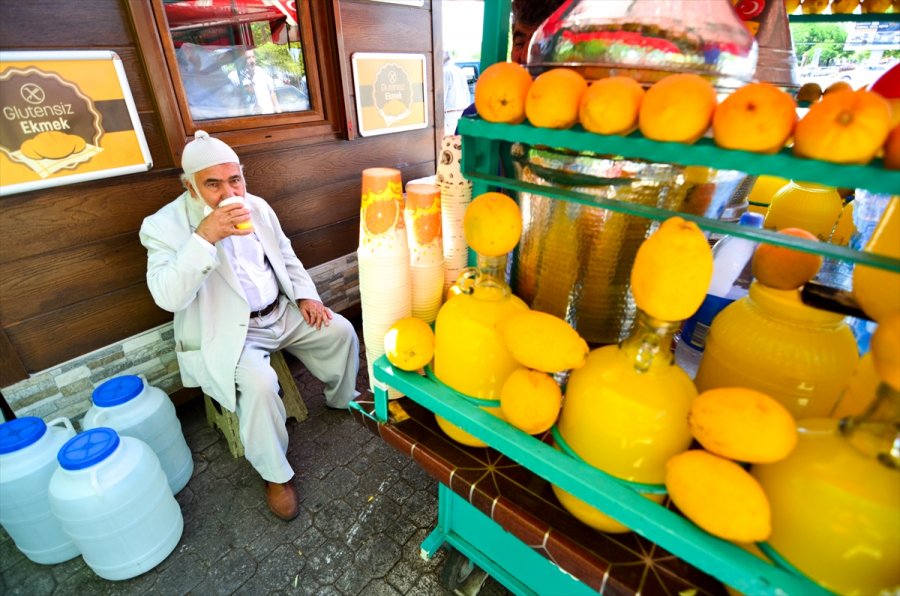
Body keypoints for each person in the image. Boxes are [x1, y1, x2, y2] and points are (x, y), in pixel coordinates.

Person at [140, 131, 360, 521]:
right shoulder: (162, 226)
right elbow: (167, 297)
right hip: (229, 331)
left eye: (235, 179)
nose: (229, 193)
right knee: (259, 386)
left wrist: (307, 296)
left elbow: (286, 255)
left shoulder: (257, 206)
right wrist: (205, 236)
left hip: (279, 311)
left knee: (340, 331)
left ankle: (343, 399)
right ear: (190, 186)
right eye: (213, 184)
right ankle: (276, 475)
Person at [455, 0, 567, 129]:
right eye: (520, 43)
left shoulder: (583, 112)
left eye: (542, 43)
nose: (525, 56)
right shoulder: (478, 117)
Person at [228, 49, 281, 115]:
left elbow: (272, 93)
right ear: (241, 61)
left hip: (269, 117)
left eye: (253, 57)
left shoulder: (261, 72)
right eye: (248, 58)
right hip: (250, 120)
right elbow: (234, 104)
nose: (252, 60)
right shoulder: (235, 77)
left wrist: (279, 113)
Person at [443, 51, 471, 136]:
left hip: (450, 116)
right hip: (462, 113)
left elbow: (441, 98)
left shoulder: (444, 72)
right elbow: (467, 94)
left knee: (450, 145)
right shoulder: (459, 70)